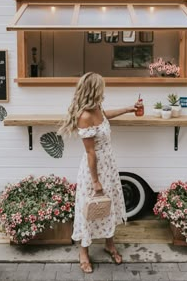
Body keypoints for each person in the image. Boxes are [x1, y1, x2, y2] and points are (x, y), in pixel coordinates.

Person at [58, 72, 137, 273]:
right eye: (102, 87)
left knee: (108, 206)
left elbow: (104, 117)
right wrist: (95, 182)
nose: (104, 90)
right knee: (89, 208)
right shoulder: (84, 116)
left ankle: (109, 243)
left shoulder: (97, 107)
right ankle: (83, 251)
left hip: (108, 166)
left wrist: (128, 109)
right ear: (94, 90)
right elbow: (90, 152)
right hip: (94, 168)